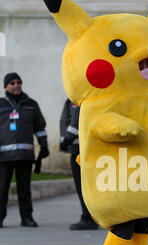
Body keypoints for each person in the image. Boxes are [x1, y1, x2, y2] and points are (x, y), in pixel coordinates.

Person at [0, 72, 49, 227]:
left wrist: (44, 145)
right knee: (1, 189)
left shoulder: (31, 104)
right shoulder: (1, 104)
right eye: (12, 83)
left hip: (25, 155)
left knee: (24, 189)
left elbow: (40, 127)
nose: (16, 85)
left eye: (18, 82)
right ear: (5, 86)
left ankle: (27, 218)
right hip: (3, 156)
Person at [59, 98, 98, 230]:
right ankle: (90, 217)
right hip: (79, 147)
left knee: (83, 186)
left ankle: (88, 218)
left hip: (79, 148)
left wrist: (66, 140)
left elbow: (76, 121)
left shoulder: (78, 98)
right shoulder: (71, 99)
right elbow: (65, 121)